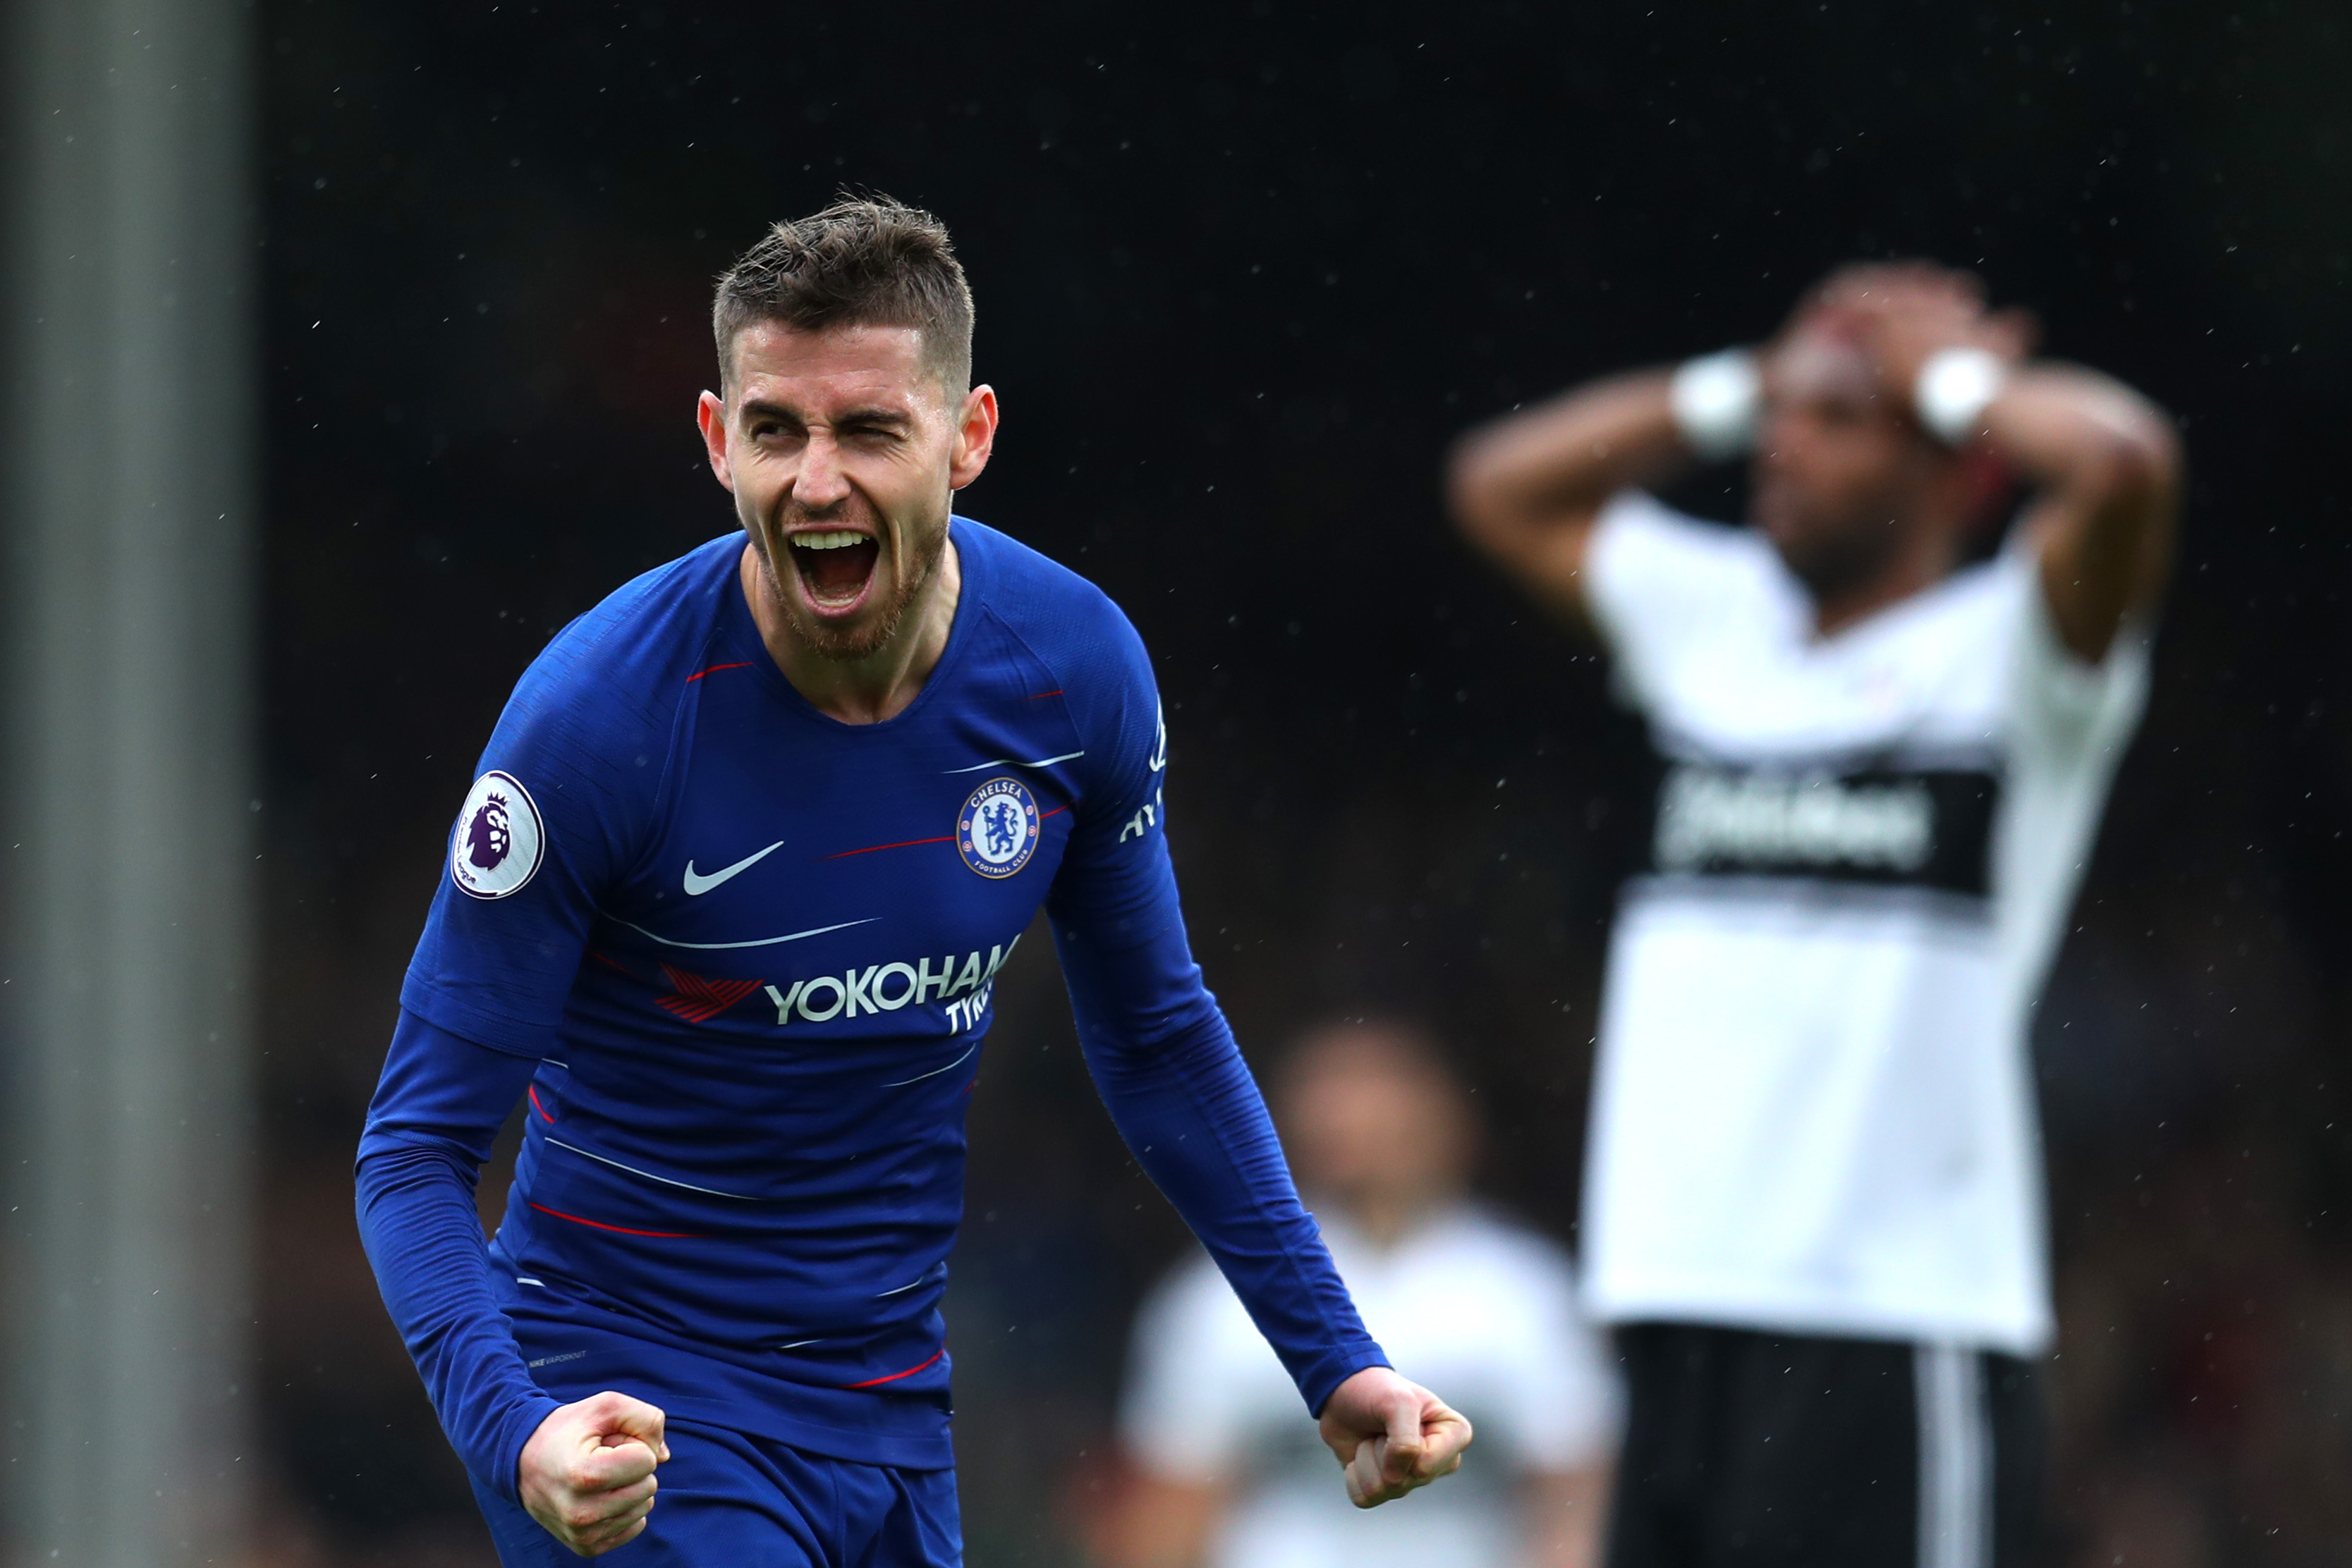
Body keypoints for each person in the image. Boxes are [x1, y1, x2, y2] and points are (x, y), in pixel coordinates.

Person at [355, 196, 1470, 1567]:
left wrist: (1332, 1357)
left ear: (968, 435)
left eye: (868, 429)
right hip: (629, 1406)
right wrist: (512, 1423)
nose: (815, 481)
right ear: (716, 441)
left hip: (886, 1408)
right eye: (775, 430)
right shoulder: (598, 716)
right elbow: (412, 1148)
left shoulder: (1069, 670)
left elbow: (1158, 1036)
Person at [1447, 263, 2177, 1568]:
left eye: (1842, 421)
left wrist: (1950, 379)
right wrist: (1750, 380)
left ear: (1959, 469)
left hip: (1895, 1316)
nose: (1785, 445)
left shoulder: (2017, 652)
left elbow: (2124, 461)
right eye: (1789, 416)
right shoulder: (1713, 622)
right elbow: (1497, 482)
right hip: (1672, 1293)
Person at [1102, 1020, 1619, 1568]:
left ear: (1448, 1118)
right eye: (1332, 1099)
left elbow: (1575, 1504)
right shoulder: (1217, 1298)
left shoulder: (1522, 1291)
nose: (1355, 1123)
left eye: (1381, 1094)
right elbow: (1169, 1515)